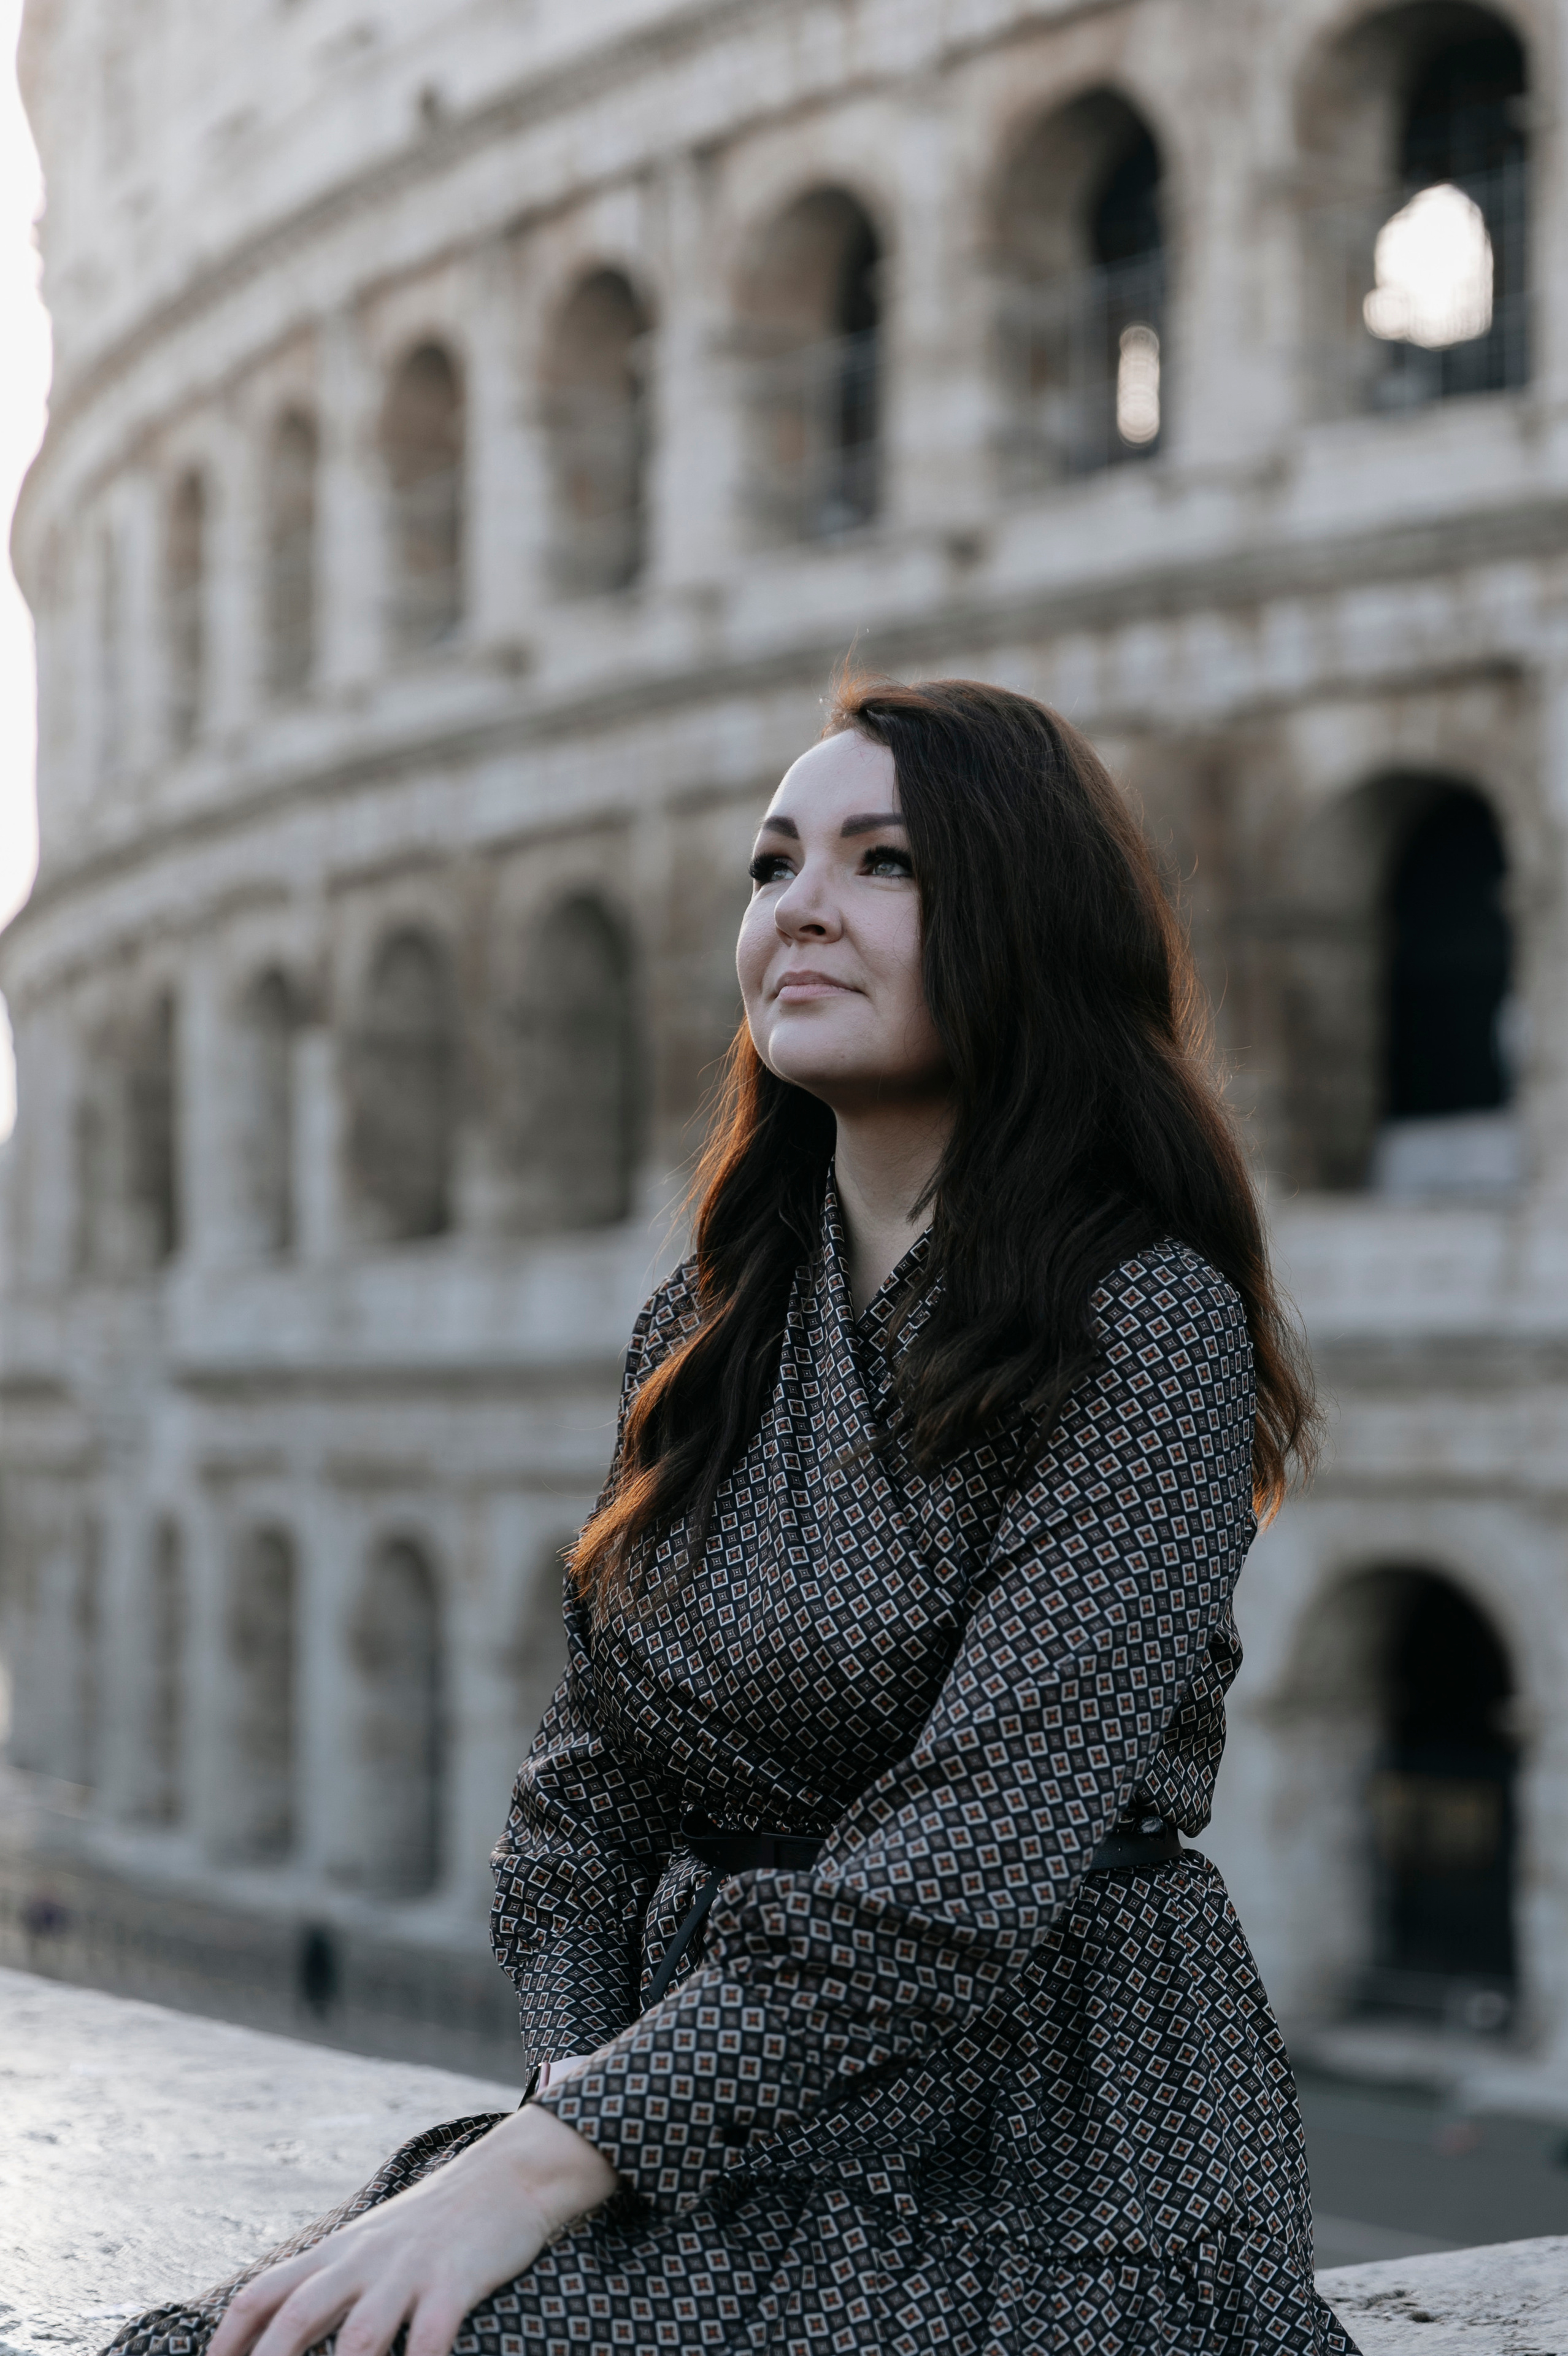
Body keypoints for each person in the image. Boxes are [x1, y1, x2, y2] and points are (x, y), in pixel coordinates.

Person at [110, 677, 1355, 2356]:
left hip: (1048, 2156)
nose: (803, 909)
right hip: (689, 2102)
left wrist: (570, 2151)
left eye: (887, 863)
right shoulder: (706, 1321)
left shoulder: (1146, 1325)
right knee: (235, 2337)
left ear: (1028, 922)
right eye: (773, 867)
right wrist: (570, 2085)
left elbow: (969, 1867)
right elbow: (585, 1780)